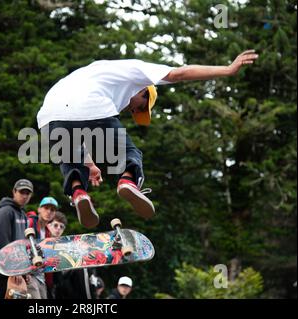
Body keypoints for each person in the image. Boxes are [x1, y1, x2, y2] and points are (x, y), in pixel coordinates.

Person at [36, 51, 259, 228]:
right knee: (130, 153)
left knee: (70, 156)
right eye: (139, 106)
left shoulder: (90, 72)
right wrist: (227, 70)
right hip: (90, 106)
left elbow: (74, 124)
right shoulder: (136, 70)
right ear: (143, 90)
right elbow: (179, 74)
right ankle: (128, 181)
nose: (132, 109)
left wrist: (91, 165)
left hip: (49, 115)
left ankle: (78, 192)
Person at [0, 179, 34, 299]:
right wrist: (14, 270)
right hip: (2, 270)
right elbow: (4, 244)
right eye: (22, 192)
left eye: (27, 193)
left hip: (15, 269)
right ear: (14, 191)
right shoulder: (5, 211)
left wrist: (25, 269)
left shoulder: (22, 214)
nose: (24, 196)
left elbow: (23, 245)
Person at [47, 211, 101, 299]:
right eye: (55, 225)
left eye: (61, 227)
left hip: (57, 288)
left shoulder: (64, 247)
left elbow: (62, 277)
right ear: (48, 225)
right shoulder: (40, 238)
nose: (58, 229)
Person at [26, 196, 58, 299]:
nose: (49, 212)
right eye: (46, 208)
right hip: (29, 274)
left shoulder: (48, 232)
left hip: (41, 276)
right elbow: (21, 247)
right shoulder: (30, 223)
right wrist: (24, 272)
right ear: (39, 209)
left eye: (52, 210)